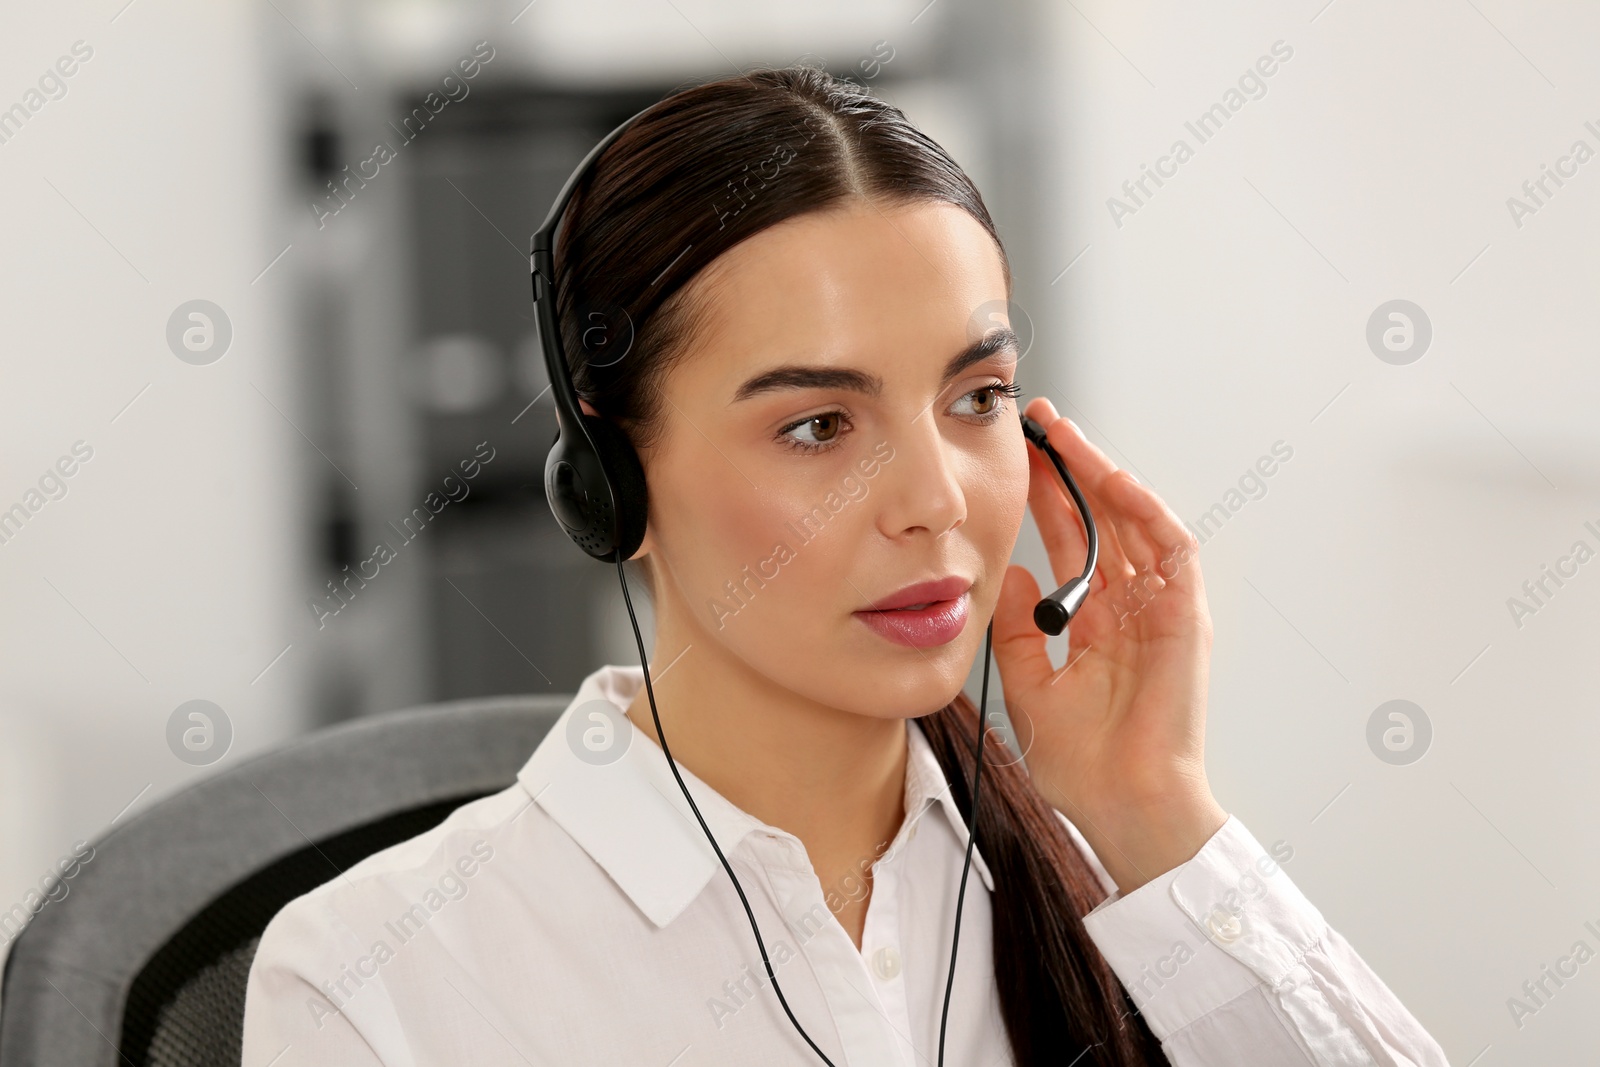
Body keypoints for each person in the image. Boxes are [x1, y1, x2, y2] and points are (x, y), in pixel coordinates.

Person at [242, 65, 1450, 1066]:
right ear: (613, 489)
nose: (935, 502)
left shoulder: (1122, 884)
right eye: (819, 425)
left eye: (976, 397)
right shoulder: (380, 977)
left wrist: (1153, 811)